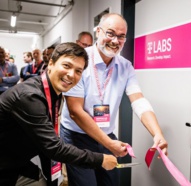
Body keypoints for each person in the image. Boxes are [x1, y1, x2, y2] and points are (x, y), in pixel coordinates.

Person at [60, 13, 168, 186]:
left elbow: (138, 100)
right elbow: (75, 112)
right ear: (98, 32)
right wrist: (109, 143)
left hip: (106, 133)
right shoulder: (79, 61)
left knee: (111, 182)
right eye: (110, 33)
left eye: (121, 36)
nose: (115, 41)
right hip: (77, 135)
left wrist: (157, 133)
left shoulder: (125, 66)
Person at [0, 42, 118, 186]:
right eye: (66, 66)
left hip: (20, 161)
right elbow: (53, 147)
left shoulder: (55, 92)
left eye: (78, 71)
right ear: (51, 63)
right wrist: (101, 159)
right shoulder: (30, 96)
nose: (71, 75)